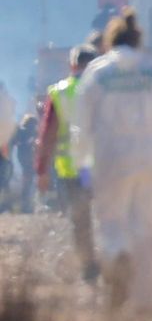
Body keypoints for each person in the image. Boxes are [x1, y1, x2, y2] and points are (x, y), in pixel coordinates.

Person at [73, 9, 152, 309]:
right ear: (138, 40)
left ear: (110, 42)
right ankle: (145, 299)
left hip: (111, 155)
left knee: (112, 220)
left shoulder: (97, 72)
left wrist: (80, 163)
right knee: (146, 224)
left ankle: (118, 255)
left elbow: (80, 123)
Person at [35, 45, 99, 281]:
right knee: (113, 215)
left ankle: (89, 267)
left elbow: (47, 135)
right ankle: (120, 262)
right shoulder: (104, 88)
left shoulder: (60, 91)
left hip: (72, 169)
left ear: (71, 65)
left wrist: (42, 170)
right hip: (106, 166)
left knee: (80, 219)